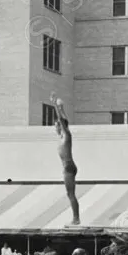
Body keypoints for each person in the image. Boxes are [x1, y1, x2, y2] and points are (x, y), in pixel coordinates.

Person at [51, 95, 80, 226]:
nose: (55, 128)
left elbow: (63, 122)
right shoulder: (64, 136)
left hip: (68, 167)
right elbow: (65, 120)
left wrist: (56, 106)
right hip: (68, 166)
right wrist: (62, 108)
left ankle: (76, 218)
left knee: (70, 194)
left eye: (56, 126)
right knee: (70, 194)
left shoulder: (66, 136)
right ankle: (76, 217)